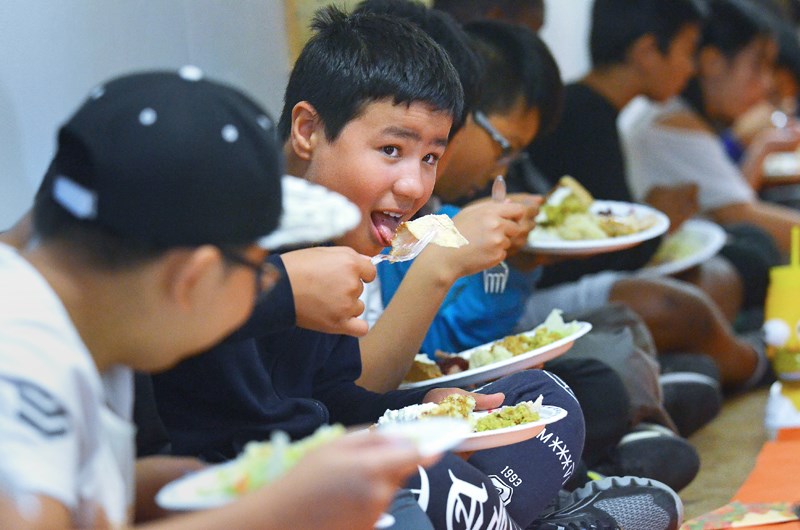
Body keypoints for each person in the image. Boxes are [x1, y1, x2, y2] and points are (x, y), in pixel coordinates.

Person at [151, 7, 683, 530]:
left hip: (346, 458)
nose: (414, 186)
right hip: (262, 489)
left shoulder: (335, 229)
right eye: (390, 149)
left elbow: (335, 393)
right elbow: (255, 439)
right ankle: (531, 513)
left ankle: (502, 511)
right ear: (308, 129)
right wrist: (285, 292)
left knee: (548, 399)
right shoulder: (231, 235)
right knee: (408, 484)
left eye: (430, 157)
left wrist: (421, 404)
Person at [0, 69, 439, 529]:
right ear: (193, 279)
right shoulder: (21, 356)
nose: (267, 287)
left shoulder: (84, 323)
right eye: (258, 270)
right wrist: (275, 511)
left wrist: (137, 485)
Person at [622, 0, 800, 257]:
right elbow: (740, 214)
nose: (765, 84)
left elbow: (731, 202)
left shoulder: (672, 113)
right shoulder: (674, 120)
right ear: (712, 61)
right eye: (757, 65)